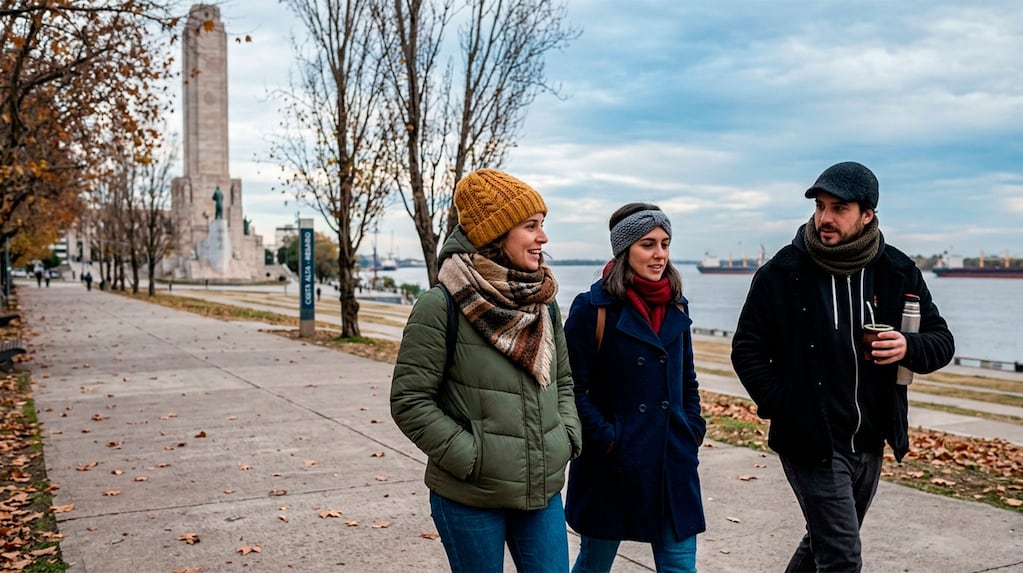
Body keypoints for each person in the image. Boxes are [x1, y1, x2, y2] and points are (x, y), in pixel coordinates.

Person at [731, 161, 954, 572]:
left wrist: (908, 345)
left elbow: (942, 342)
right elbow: (747, 350)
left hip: (869, 440)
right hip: (811, 440)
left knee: (824, 544)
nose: (825, 218)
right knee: (842, 558)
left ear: (867, 214)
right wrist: (786, 407)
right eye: (820, 206)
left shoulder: (897, 271)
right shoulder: (782, 272)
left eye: (838, 208)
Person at [390, 168, 582, 573]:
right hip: (470, 497)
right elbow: (410, 400)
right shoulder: (440, 305)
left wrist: (565, 437)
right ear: (496, 233)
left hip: (541, 490)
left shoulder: (543, 303)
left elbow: (563, 380)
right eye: (531, 226)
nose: (543, 237)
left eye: (542, 225)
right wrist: (472, 457)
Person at [563, 203, 706, 573]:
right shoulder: (592, 308)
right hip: (613, 464)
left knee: (680, 567)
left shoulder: (676, 305)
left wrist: (692, 429)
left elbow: (687, 380)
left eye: (665, 244)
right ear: (625, 249)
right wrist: (607, 438)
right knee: (594, 564)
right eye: (648, 244)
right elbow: (571, 387)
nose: (660, 254)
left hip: (671, 460)